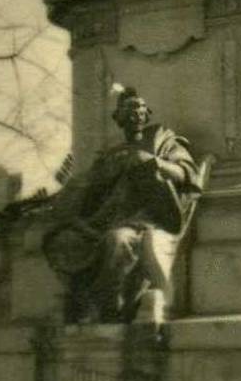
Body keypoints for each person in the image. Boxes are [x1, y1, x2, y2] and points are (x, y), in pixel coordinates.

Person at [43, 87, 203, 323]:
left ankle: (109, 306)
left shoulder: (162, 141)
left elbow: (187, 174)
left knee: (117, 240)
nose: (136, 113)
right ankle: (80, 301)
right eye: (129, 109)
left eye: (140, 108)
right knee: (65, 239)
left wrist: (153, 162)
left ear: (147, 114)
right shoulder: (111, 155)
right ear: (118, 118)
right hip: (104, 219)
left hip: (143, 220)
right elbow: (88, 190)